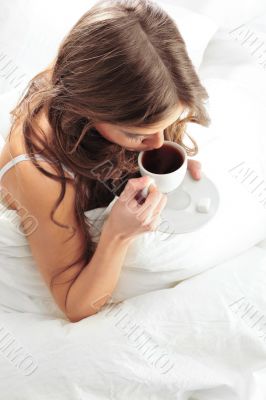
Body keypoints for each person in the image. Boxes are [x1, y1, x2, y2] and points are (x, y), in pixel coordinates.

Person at [0, 0, 210, 322]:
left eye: (163, 126)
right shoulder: (39, 171)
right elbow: (75, 304)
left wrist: (173, 161)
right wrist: (117, 235)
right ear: (89, 111)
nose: (157, 143)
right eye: (137, 134)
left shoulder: (128, 79)